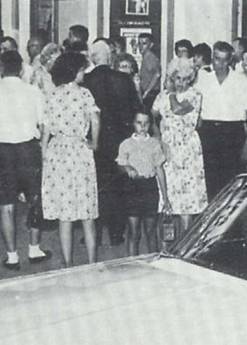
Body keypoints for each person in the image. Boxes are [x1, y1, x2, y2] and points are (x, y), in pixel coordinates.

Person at [0, 50, 52, 270]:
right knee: (35, 199)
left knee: (6, 204)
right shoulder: (34, 92)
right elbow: (45, 124)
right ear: (21, 69)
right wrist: (43, 148)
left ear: (1, 69)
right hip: (29, 150)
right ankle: (34, 249)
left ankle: (12, 256)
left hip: (1, 151)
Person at [41, 51, 100, 266]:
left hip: (58, 151)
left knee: (64, 215)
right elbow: (95, 119)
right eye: (82, 70)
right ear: (74, 71)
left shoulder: (52, 94)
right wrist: (94, 142)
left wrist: (44, 152)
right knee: (87, 212)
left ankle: (68, 264)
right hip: (79, 150)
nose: (84, 74)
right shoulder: (84, 94)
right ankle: (92, 263)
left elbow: (45, 128)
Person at [83, 40, 142, 246]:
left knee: (95, 186)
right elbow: (136, 109)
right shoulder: (123, 79)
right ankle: (117, 232)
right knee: (118, 186)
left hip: (94, 140)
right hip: (119, 139)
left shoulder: (86, 80)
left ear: (93, 59)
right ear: (110, 58)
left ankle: (95, 233)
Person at [151, 58, 208, 238]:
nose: (181, 83)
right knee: (168, 193)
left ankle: (185, 242)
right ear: (172, 78)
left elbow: (177, 110)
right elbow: (152, 116)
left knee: (187, 198)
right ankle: (169, 243)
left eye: (185, 79)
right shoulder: (161, 96)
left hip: (188, 147)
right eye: (178, 78)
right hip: (168, 146)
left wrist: (170, 94)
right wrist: (158, 138)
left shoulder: (194, 95)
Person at [196, 41, 247, 199]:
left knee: (233, 185)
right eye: (217, 59)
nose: (221, 64)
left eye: (224, 60)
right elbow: (196, 110)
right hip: (209, 133)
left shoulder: (241, 81)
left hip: (233, 134)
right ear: (212, 58)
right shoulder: (203, 80)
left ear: (230, 60)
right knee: (210, 182)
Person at [117, 111, 169, 256]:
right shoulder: (126, 144)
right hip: (132, 188)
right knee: (133, 232)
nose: (143, 126)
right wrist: (127, 168)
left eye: (146, 123)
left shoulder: (154, 144)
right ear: (133, 124)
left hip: (149, 188)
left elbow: (159, 170)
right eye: (139, 123)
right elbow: (120, 164)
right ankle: (132, 262)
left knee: (151, 231)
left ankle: (154, 262)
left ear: (150, 125)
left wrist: (165, 198)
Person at [137, 32, 162, 111]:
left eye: (144, 43)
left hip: (150, 94)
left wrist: (146, 92)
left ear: (151, 45)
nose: (141, 46)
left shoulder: (150, 57)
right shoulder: (145, 57)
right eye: (139, 43)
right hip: (146, 93)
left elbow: (157, 74)